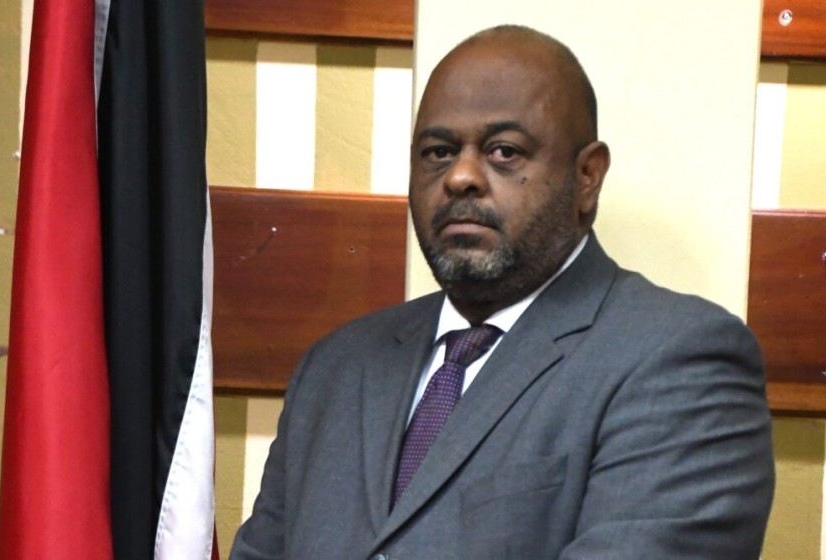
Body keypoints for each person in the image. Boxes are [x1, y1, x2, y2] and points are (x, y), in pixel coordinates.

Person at [231, 25, 774, 559]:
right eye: (438, 152)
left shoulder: (679, 361)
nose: (460, 177)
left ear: (587, 176)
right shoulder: (334, 368)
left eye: (504, 151)